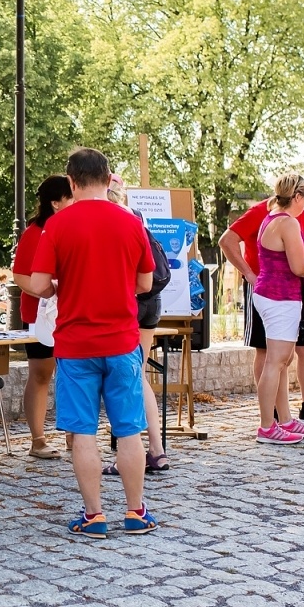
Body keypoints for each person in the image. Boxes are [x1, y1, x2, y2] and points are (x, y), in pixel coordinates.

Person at [23, 148, 157, 539]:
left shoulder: (58, 225)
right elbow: (146, 283)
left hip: (76, 344)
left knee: (83, 431)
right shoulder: (130, 221)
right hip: (122, 341)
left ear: (71, 181)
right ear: (107, 177)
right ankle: (135, 512)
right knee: (129, 430)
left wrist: (56, 288)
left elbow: (37, 282)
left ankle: (94, 515)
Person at [219, 187, 304, 427]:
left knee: (303, 349)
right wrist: (249, 274)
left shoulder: (301, 215)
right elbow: (226, 240)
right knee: (268, 353)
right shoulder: (261, 212)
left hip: (293, 290)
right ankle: (270, 415)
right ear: (295, 195)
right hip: (267, 290)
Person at [251, 174, 304, 445]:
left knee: (282, 360)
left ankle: (285, 420)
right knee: (276, 361)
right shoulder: (288, 223)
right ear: (298, 196)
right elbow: (299, 267)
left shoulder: (272, 217)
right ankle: (266, 427)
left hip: (275, 295)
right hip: (279, 297)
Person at [104, 176, 168, 474]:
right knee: (138, 375)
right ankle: (157, 450)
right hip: (151, 299)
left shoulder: (109, 219)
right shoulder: (136, 216)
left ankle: (129, 456)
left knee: (121, 378)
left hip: (127, 299)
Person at [11, 175, 71, 460]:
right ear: (56, 203)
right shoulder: (34, 232)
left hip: (71, 313)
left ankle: (74, 435)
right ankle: (38, 440)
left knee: (72, 374)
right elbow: (21, 275)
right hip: (39, 315)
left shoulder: (73, 227)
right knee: (41, 374)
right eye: (70, 197)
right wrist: (49, 292)